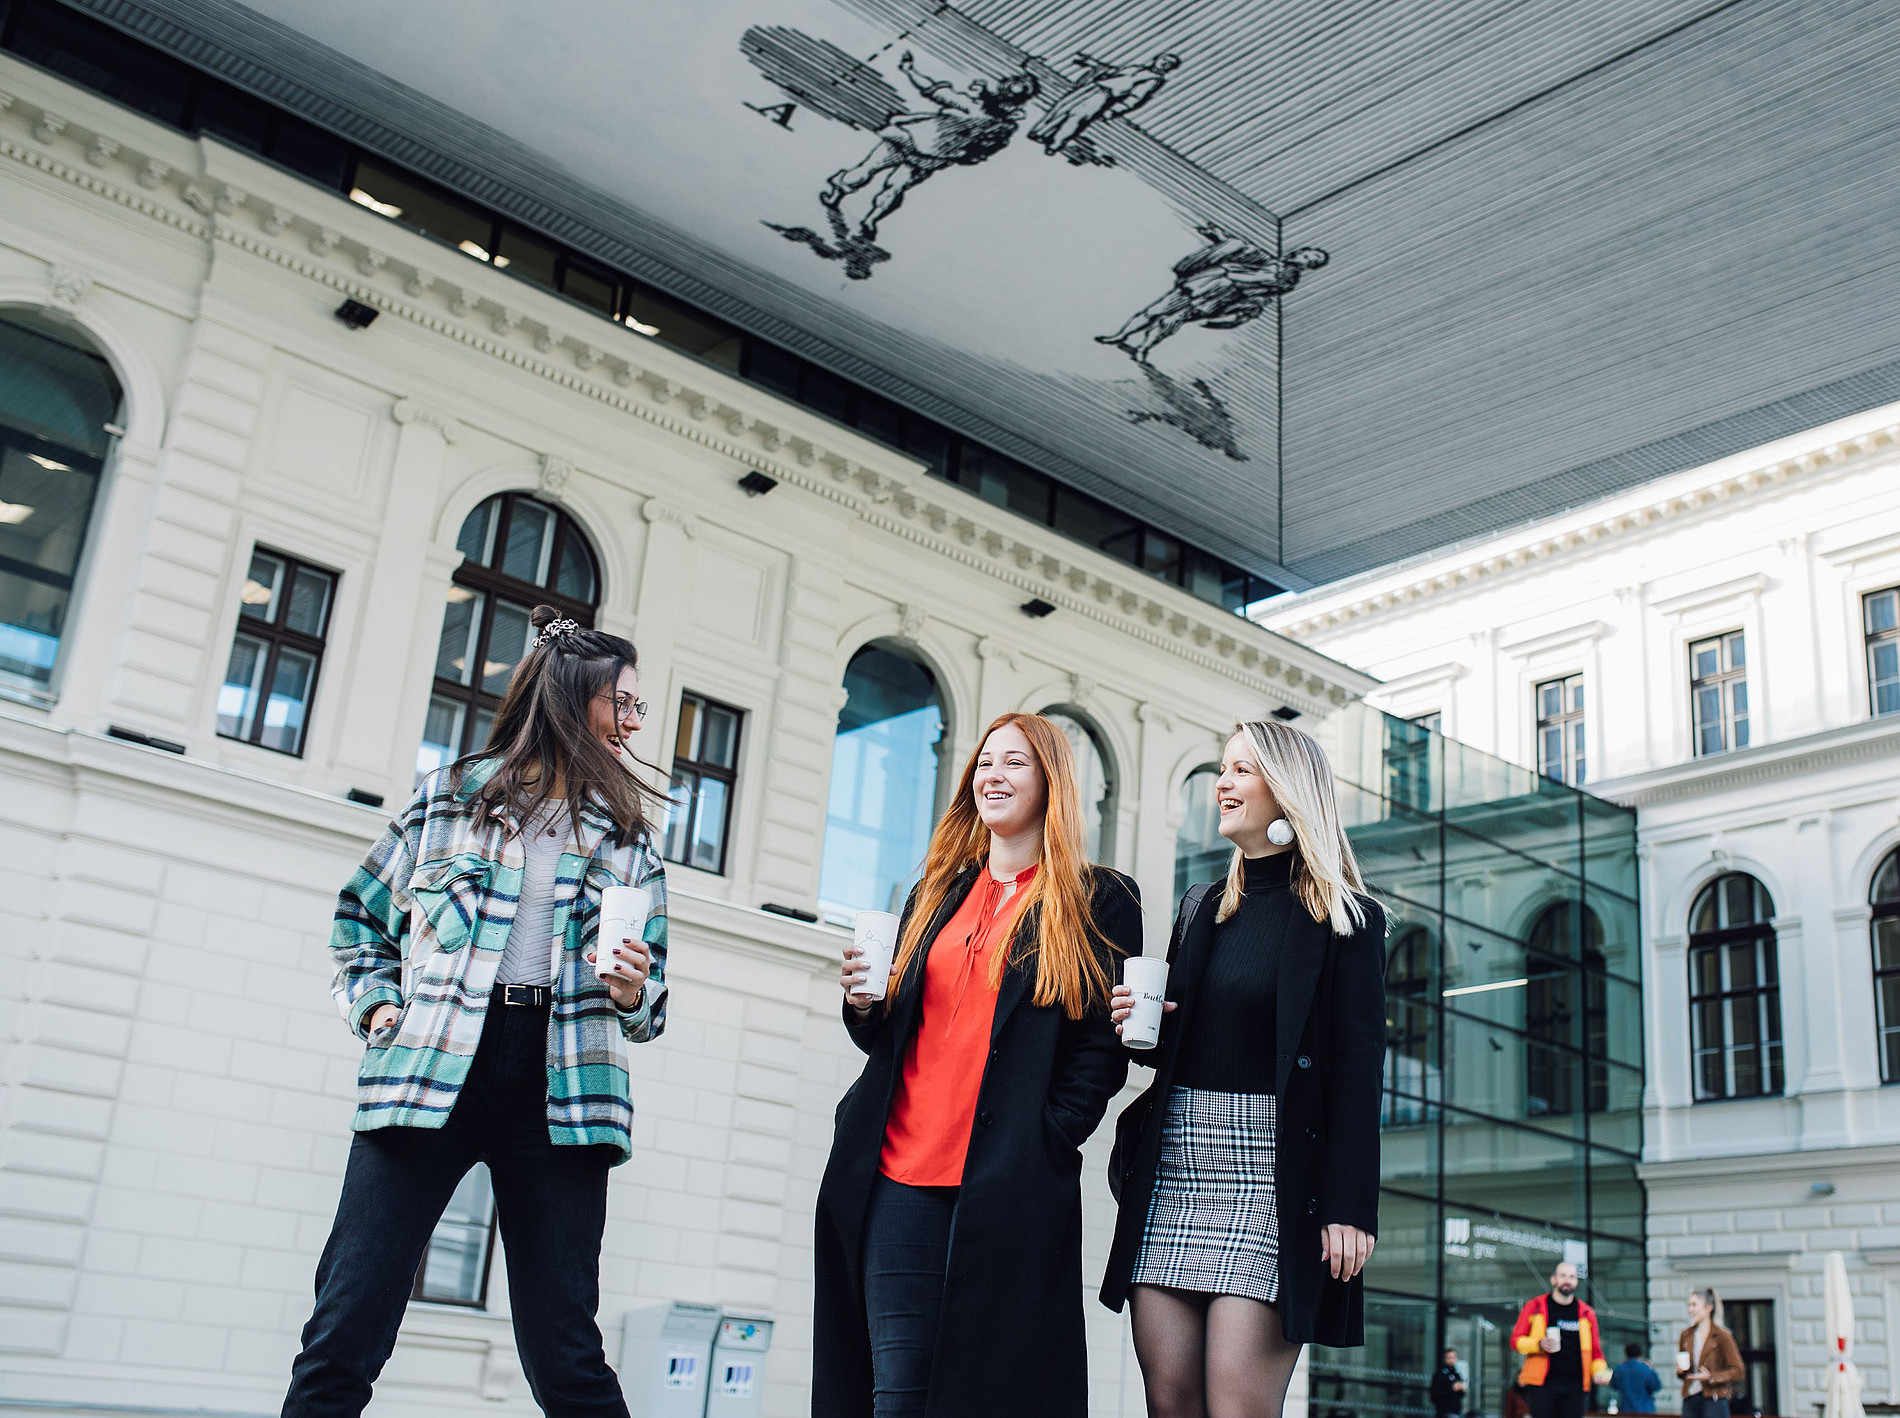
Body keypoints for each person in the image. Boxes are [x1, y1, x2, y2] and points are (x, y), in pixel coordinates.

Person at [283, 606, 669, 1417]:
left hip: (563, 1086)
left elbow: (651, 994)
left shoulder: (629, 837)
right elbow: (359, 921)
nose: (633, 722)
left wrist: (636, 992)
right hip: (429, 1064)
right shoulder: (450, 799)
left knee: (565, 1352)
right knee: (344, 1329)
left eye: (637, 707)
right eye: (622, 703)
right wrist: (378, 1011)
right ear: (570, 698)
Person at [812, 712, 1141, 1418]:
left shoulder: (1098, 899)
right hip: (897, 1170)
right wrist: (865, 1003)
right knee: (896, 1393)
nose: (993, 774)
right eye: (985, 762)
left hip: (1007, 1182)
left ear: (1049, 780)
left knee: (988, 1393)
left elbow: (1098, 1049)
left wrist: (1047, 1134)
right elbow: (892, 1036)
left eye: (1015, 762)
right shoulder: (936, 892)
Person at [1099, 719, 1388, 1418]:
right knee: (1170, 1403)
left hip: (1272, 1178)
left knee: (1237, 1406)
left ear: (1287, 792)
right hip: (1177, 1170)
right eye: (1222, 770)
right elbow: (1180, 1047)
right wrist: (1142, 1028)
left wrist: (1350, 1205)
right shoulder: (1202, 907)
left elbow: (1357, 1069)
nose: (1222, 785)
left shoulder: (1349, 918)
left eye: (1241, 771)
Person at [1509, 1261, 1613, 1418]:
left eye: (1572, 1277)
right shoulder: (1535, 1306)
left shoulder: (1586, 1313)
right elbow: (1515, 1341)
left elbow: (1596, 1352)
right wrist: (1538, 1344)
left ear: (1577, 1282)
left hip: (1576, 1386)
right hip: (1542, 1385)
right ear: (1553, 1280)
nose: (1567, 1281)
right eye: (1563, 1276)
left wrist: (1599, 1372)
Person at [1677, 1287, 1745, 1418]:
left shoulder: (1722, 1336)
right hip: (1690, 1398)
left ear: (1708, 1308)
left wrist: (1710, 1377)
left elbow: (1738, 1371)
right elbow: (1684, 1371)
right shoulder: (1686, 1335)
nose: (1690, 1310)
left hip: (1714, 1399)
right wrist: (1681, 1371)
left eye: (1694, 1305)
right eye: (1689, 1305)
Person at [1611, 1342, 1662, 1413]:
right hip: (1645, 1410)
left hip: (1625, 1411)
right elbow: (1656, 1386)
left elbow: (1614, 1386)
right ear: (1640, 1354)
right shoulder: (1645, 1369)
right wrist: (1651, 1369)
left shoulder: (1619, 1369)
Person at [1431, 1347, 1469, 1417]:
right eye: (1449, 1358)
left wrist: (1461, 1388)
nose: (1451, 1360)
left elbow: (1461, 1394)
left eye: (1453, 1358)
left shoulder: (1456, 1375)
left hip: (1455, 1411)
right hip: (1444, 1411)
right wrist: (1452, 1388)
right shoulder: (1440, 1375)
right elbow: (1435, 1394)